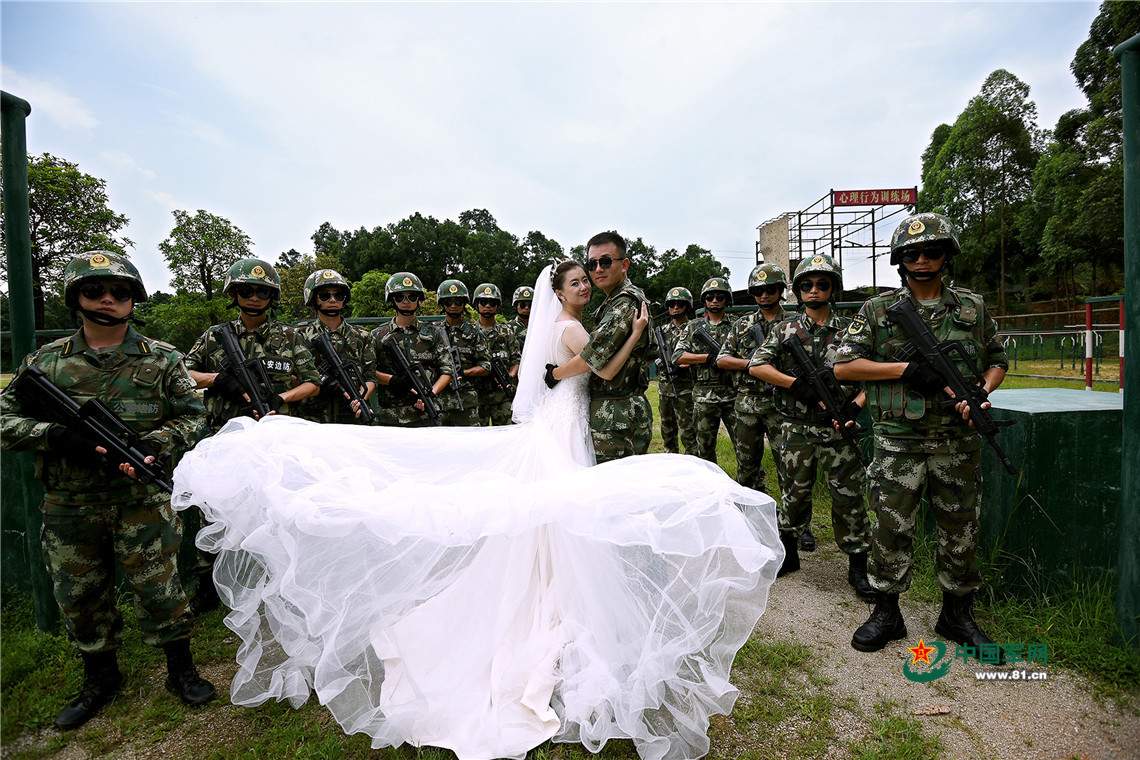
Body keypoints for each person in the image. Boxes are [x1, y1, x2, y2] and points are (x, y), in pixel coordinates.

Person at [171, 260, 783, 760]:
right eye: (575, 283)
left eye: (584, 282)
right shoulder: (572, 330)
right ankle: (555, 602)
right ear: (561, 294)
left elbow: (561, 375)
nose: (584, 289)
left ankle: (556, 595)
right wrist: (633, 331)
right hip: (562, 431)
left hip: (557, 425)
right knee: (558, 520)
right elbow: (608, 368)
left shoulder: (556, 329)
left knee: (552, 523)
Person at [0, 251, 215, 730]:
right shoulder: (46, 360)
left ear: (133, 300)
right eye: (95, 290)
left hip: (141, 499)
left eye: (119, 292)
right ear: (76, 297)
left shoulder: (162, 358)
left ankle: (180, 669)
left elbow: (193, 415)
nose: (108, 300)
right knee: (80, 596)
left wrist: (157, 445)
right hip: (70, 503)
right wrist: (56, 436)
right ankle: (100, 677)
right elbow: (4, 417)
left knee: (161, 588)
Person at [832, 212, 1008, 655]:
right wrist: (908, 369)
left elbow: (998, 358)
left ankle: (957, 613)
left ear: (947, 255)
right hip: (898, 440)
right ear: (900, 260)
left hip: (956, 439)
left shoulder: (972, 306)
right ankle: (887, 612)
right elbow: (842, 365)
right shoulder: (877, 311)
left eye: (932, 251)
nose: (923, 260)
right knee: (890, 527)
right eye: (912, 254)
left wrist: (980, 391)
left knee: (961, 526)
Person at [184, 257, 321, 614]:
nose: (255, 298)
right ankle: (208, 584)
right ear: (235, 294)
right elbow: (182, 371)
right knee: (214, 511)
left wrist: (282, 397)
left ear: (271, 297)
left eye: (262, 292)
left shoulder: (289, 336)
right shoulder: (215, 336)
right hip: (225, 438)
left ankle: (286, 580)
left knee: (281, 509)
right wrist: (217, 380)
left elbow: (313, 382)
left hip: (274, 438)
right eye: (247, 291)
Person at [749, 254, 874, 600]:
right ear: (798, 291)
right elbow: (758, 365)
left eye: (822, 284)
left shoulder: (852, 329)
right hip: (797, 426)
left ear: (834, 288)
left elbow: (870, 375)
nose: (814, 290)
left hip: (839, 426)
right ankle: (788, 553)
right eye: (806, 285)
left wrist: (854, 406)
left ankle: (858, 564)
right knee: (795, 491)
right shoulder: (785, 329)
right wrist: (796, 386)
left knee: (848, 495)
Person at [555, 231, 653, 463]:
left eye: (606, 261)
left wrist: (553, 374)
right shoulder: (612, 302)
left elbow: (593, 359)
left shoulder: (624, 304)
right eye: (592, 263)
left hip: (617, 414)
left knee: (615, 491)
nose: (598, 269)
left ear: (624, 264)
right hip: (615, 411)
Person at [716, 263, 790, 497]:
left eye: (770, 289)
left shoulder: (794, 322)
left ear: (780, 289)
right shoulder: (742, 325)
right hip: (747, 404)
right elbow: (722, 359)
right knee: (747, 466)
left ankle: (793, 524)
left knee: (788, 466)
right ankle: (748, 513)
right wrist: (755, 366)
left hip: (783, 404)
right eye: (758, 291)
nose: (764, 295)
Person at [369, 272, 455, 428]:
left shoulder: (433, 333)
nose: (406, 301)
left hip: (425, 412)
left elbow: (447, 371)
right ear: (392, 300)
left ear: (419, 300)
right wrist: (392, 380)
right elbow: (367, 371)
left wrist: (430, 394)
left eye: (412, 297)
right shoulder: (377, 335)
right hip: (389, 415)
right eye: (400, 297)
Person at [296, 268, 376, 425]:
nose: (332, 300)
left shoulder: (363, 336)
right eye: (325, 296)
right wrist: (320, 382)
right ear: (314, 299)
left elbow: (370, 377)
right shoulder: (299, 335)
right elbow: (291, 377)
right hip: (312, 418)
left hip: (351, 418)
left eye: (338, 295)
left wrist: (359, 399)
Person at [673, 277, 736, 467]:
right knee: (704, 451)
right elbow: (677, 356)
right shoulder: (693, 327)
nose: (714, 300)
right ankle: (710, 490)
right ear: (704, 300)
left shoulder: (737, 325)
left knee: (745, 449)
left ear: (727, 299)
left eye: (719, 296)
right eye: (710, 297)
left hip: (733, 394)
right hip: (703, 397)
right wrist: (706, 359)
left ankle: (749, 489)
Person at [437, 278, 490, 427]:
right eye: (448, 302)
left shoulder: (475, 332)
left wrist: (464, 373)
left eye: (458, 302)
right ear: (442, 304)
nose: (453, 306)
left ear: (464, 304)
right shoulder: (433, 332)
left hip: (466, 400)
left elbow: (486, 366)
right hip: (439, 402)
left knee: (471, 445)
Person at [473, 282, 521, 426]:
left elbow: (516, 360)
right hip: (477, 397)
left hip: (503, 398)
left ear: (497, 306)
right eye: (483, 302)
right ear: (477, 305)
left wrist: (509, 377)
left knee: (507, 438)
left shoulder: (506, 332)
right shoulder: (470, 332)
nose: (488, 306)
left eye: (492, 303)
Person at [657, 286, 697, 455]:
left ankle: (693, 463)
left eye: (680, 304)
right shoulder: (661, 331)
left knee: (688, 431)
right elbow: (653, 354)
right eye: (672, 304)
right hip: (664, 388)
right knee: (667, 430)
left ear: (687, 306)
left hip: (685, 387)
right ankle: (670, 461)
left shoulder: (694, 328)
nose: (675, 307)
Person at [509, 284, 533, 354]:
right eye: (523, 305)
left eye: (530, 305)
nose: (527, 308)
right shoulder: (508, 328)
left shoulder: (539, 327)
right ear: (516, 306)